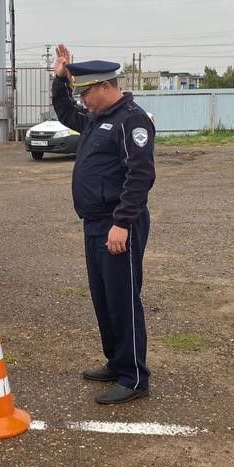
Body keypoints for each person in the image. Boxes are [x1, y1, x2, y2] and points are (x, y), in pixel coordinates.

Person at [51, 43, 156, 404]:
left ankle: (134, 377)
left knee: (123, 298)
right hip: (95, 223)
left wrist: (122, 223)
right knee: (104, 297)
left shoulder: (132, 120)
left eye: (86, 92)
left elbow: (140, 176)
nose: (82, 101)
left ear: (105, 87)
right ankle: (117, 360)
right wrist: (59, 78)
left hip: (117, 225)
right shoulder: (98, 118)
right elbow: (65, 111)